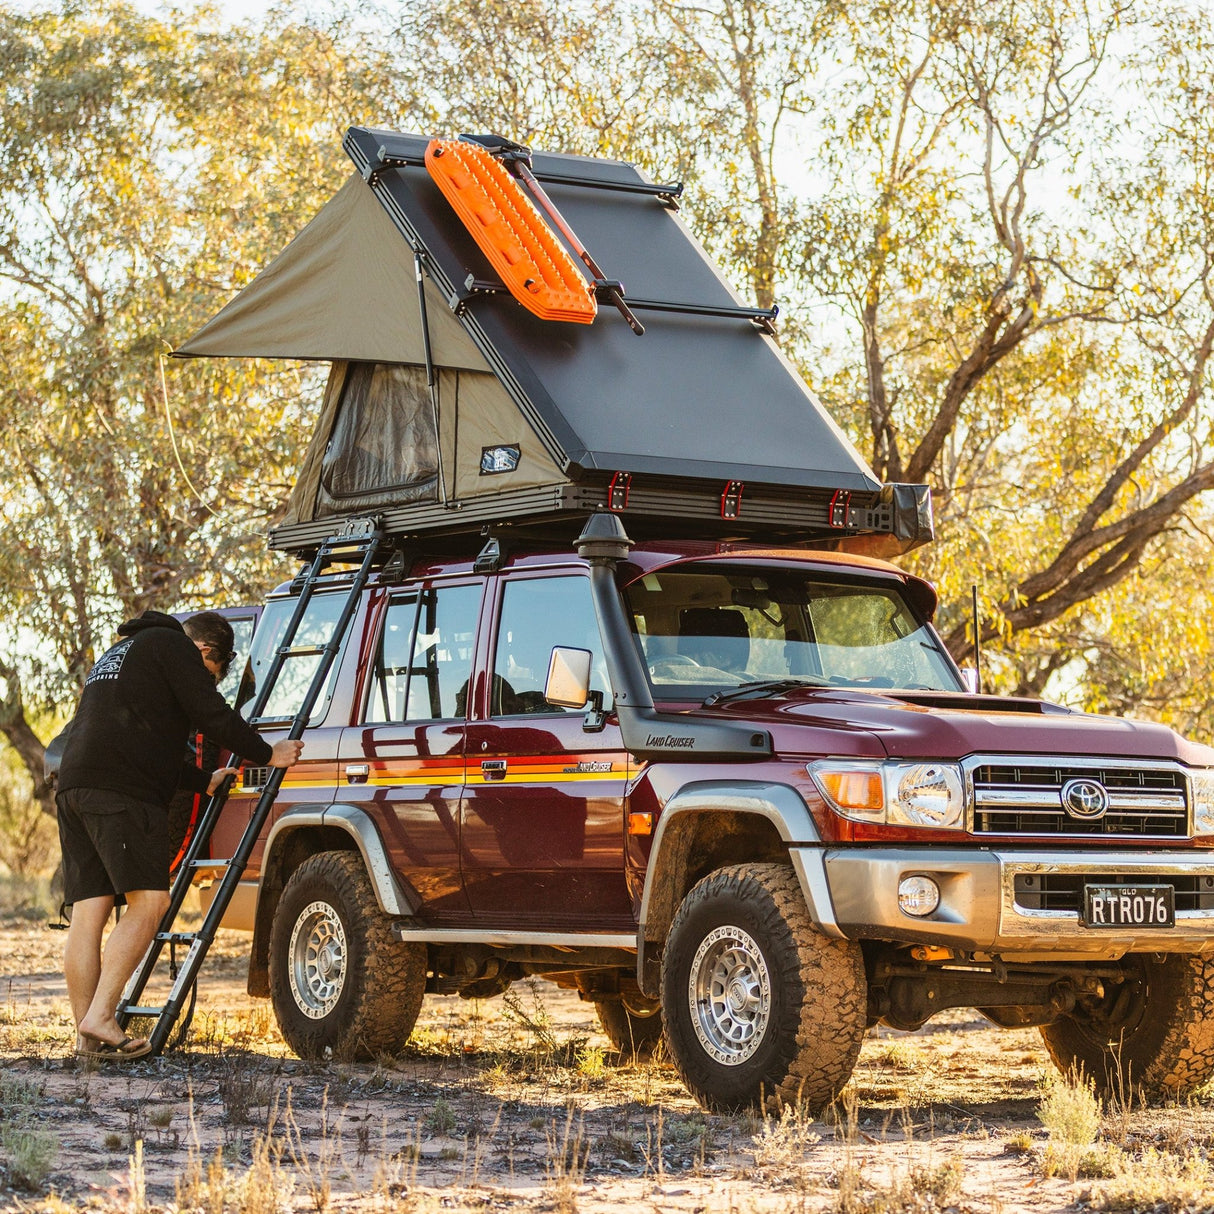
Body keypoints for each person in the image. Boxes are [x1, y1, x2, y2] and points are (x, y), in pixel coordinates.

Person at [55, 609, 304, 1061]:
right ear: (207, 652)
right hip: (121, 793)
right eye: (210, 675)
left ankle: (86, 1040)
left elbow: (138, 739)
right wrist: (269, 753)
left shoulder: (123, 651)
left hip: (74, 787)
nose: (206, 682)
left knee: (88, 915)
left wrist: (201, 780)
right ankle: (102, 1016)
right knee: (151, 903)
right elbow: (211, 715)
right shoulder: (175, 647)